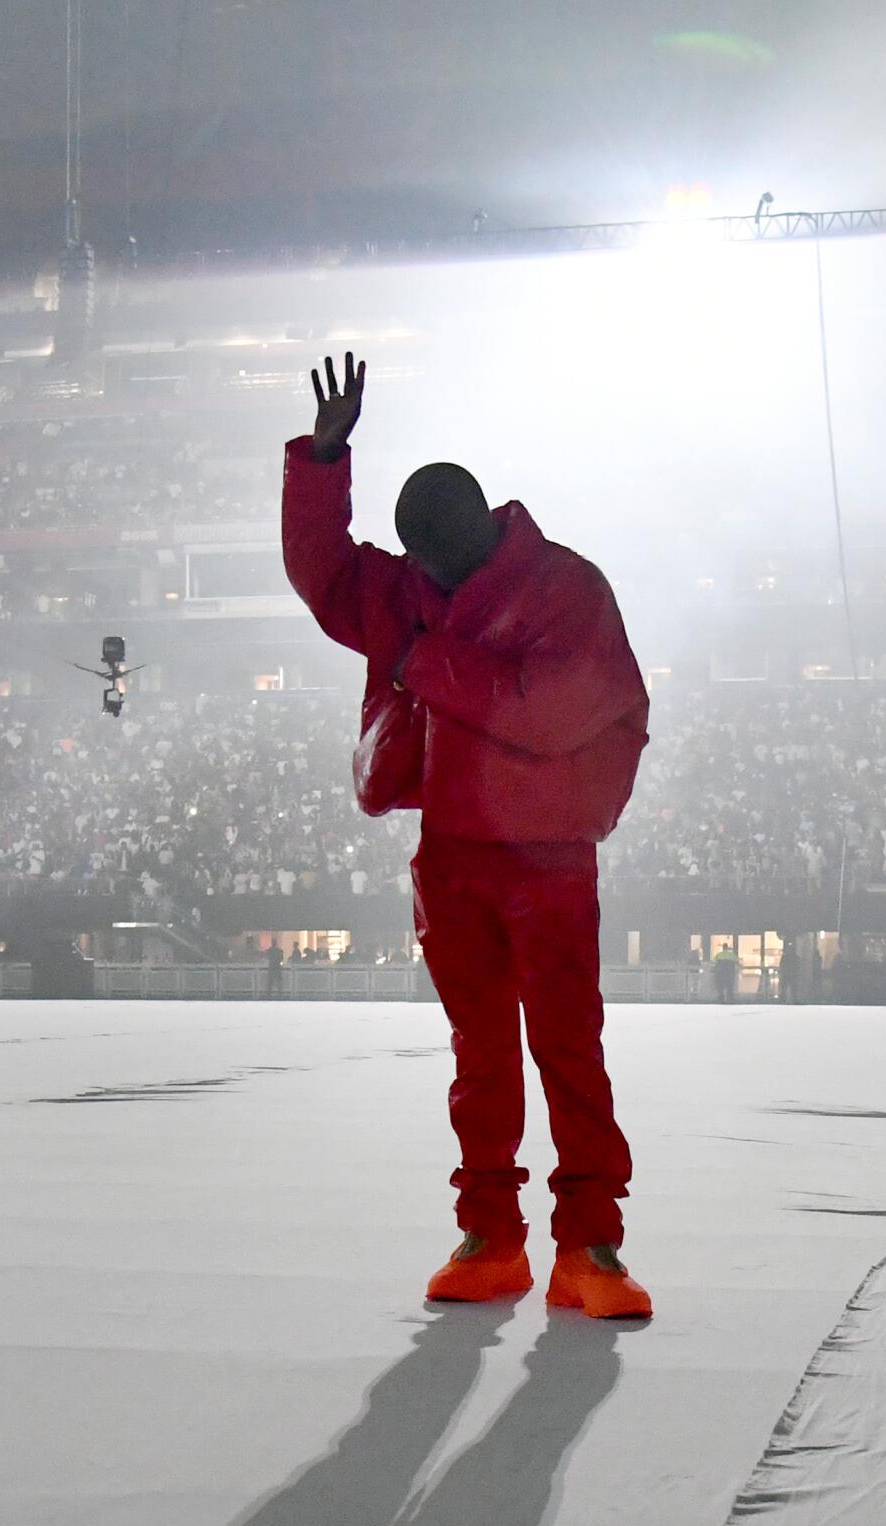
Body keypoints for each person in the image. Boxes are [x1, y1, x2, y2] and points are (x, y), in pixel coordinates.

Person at [282, 351, 652, 1319]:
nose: (429, 579)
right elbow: (327, 580)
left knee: (567, 1047)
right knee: (480, 1050)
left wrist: (420, 659)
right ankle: (492, 1234)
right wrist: (323, 466)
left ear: (482, 528)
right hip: (453, 854)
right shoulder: (413, 586)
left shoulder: (569, 589)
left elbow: (546, 711)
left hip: (547, 858)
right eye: (421, 568)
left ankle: (592, 1244)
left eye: (440, 564)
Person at [778, 940, 801, 1004]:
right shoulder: (787, 957)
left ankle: (793, 999)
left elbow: (797, 966)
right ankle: (784, 999)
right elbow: (782, 966)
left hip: (791, 975)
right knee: (785, 988)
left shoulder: (791, 957)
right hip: (787, 974)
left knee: (793, 988)